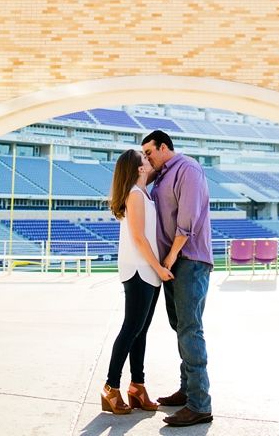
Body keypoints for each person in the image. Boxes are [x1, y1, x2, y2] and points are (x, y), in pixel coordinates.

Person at [141, 130, 214, 427]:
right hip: (174, 263)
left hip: (188, 260)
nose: (146, 157)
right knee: (180, 327)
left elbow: (188, 219)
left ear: (164, 147)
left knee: (190, 329)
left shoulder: (188, 169)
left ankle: (200, 404)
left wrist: (170, 257)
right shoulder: (161, 176)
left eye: (149, 152)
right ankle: (187, 391)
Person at [101, 149, 174, 415]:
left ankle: (137, 387)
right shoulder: (134, 194)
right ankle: (111, 388)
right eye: (145, 158)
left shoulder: (142, 191)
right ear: (140, 169)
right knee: (130, 329)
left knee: (140, 331)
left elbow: (160, 167)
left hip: (149, 272)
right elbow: (139, 238)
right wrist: (160, 268)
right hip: (140, 271)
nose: (149, 159)